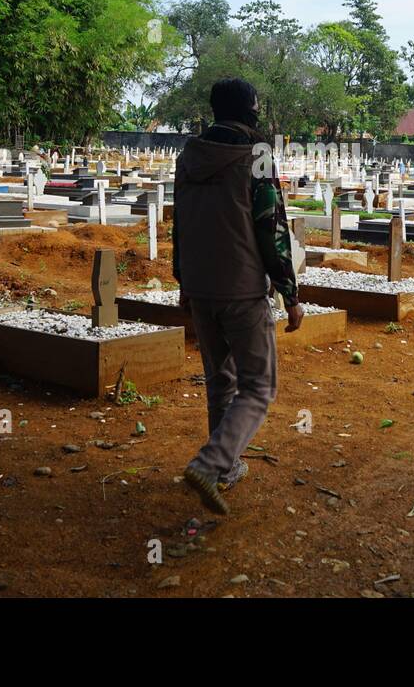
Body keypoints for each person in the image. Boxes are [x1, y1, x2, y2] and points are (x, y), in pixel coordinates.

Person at [172, 78, 303, 514]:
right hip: (241, 288)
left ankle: (224, 470)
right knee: (259, 386)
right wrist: (290, 291)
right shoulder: (257, 157)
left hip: (200, 286)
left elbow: (180, 226)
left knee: (220, 381)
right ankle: (210, 464)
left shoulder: (188, 157)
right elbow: (272, 226)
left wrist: (183, 284)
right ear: (249, 109)